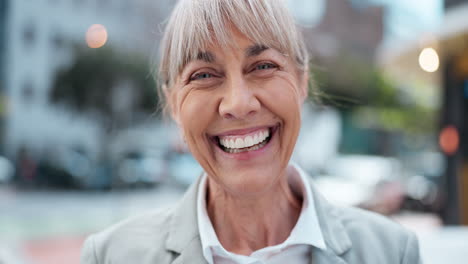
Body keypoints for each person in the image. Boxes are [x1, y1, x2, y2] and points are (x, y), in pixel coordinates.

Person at [80, 0, 422, 263]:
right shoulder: (112, 255)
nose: (238, 104)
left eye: (263, 66)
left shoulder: (391, 251)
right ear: (173, 103)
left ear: (302, 82)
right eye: (203, 75)